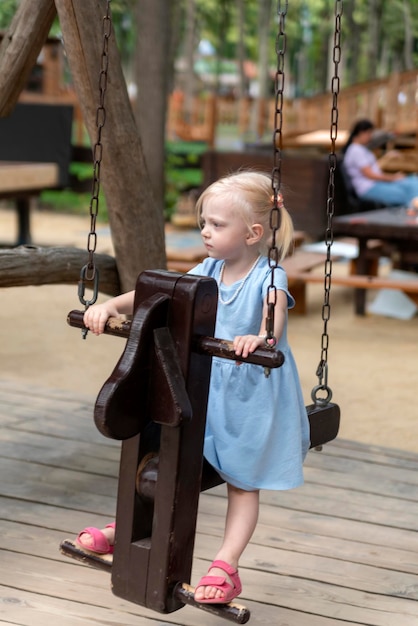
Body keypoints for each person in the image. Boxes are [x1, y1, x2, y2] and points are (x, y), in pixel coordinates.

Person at [75, 171, 310, 604]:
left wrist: (260, 337)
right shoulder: (209, 269)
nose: (205, 230)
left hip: (248, 394)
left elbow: (273, 320)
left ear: (254, 232)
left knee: (242, 480)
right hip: (204, 385)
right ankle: (123, 529)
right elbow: (157, 291)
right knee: (166, 458)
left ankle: (227, 563)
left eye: (217, 224)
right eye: (204, 221)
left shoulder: (268, 275)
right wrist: (110, 304)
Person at [342, 119, 418, 209]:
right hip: (369, 187)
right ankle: (412, 211)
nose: (370, 137)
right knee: (405, 193)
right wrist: (393, 178)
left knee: (413, 181)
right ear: (362, 133)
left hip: (377, 184)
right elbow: (370, 175)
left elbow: (374, 169)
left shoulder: (362, 149)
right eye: (369, 133)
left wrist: (389, 159)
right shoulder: (356, 150)